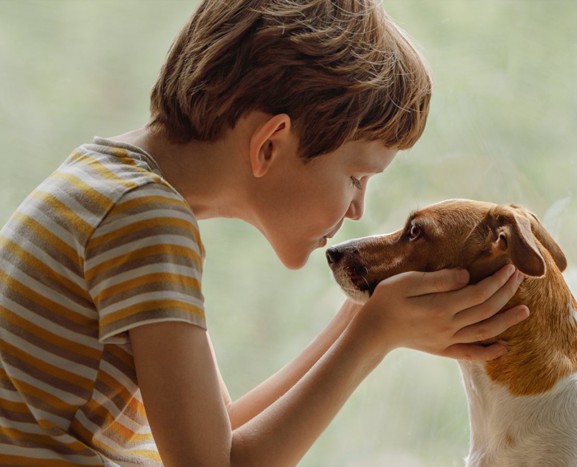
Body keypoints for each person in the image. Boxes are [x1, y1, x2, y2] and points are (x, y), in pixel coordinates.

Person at [0, 0, 529, 465]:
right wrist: (370, 342)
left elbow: (222, 433)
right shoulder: (145, 222)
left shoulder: (108, 186)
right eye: (356, 177)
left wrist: (358, 321)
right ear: (270, 144)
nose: (358, 210)